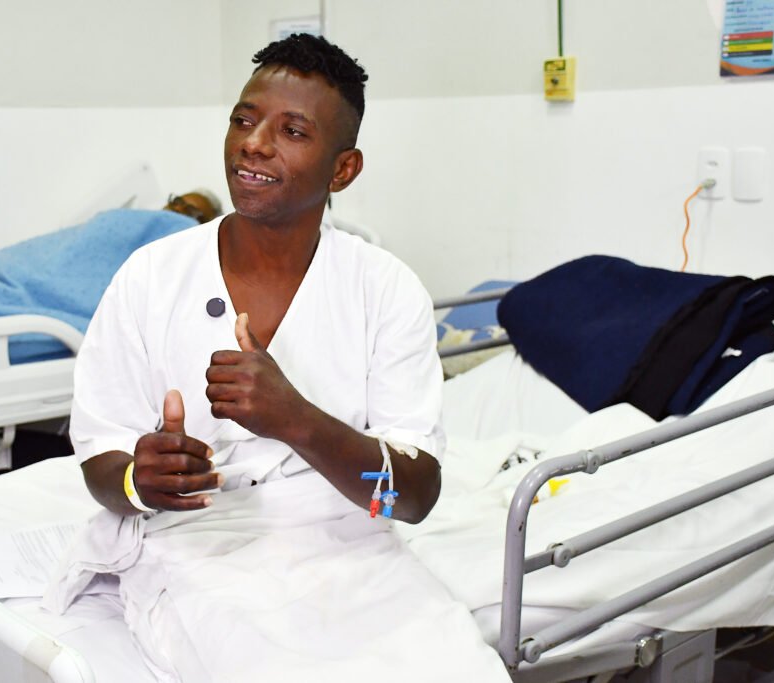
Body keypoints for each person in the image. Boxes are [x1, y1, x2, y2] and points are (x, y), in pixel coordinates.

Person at [46, 34, 511, 681]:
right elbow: (101, 459)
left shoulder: (385, 290)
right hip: (196, 544)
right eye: (244, 120)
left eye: (292, 131)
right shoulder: (151, 277)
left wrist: (295, 420)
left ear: (343, 170)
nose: (254, 143)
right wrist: (136, 481)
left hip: (353, 544)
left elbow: (409, 499)